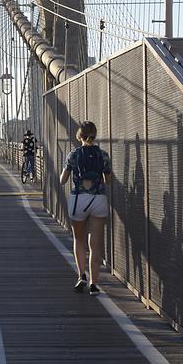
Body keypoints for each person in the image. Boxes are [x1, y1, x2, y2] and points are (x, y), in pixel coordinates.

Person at [59, 120, 111, 296]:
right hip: (98, 200)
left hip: (78, 200)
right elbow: (108, 180)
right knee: (95, 245)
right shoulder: (103, 155)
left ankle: (81, 275)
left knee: (78, 240)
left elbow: (63, 180)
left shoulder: (73, 155)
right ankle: (94, 283)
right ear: (94, 135)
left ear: (79, 136)